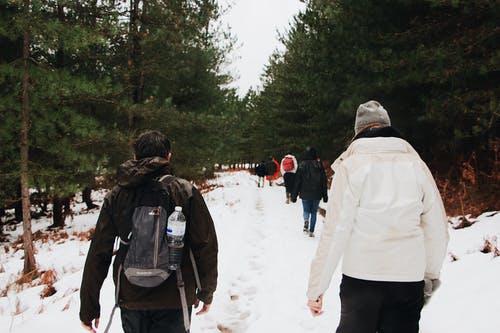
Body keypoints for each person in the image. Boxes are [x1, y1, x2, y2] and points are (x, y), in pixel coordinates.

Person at [306, 101, 449, 333]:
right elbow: (437, 230)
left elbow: (335, 231)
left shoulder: (351, 166)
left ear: (358, 132)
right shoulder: (416, 165)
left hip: (360, 281)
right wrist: (429, 278)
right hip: (407, 280)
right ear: (388, 128)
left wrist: (316, 288)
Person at [80, 130, 218, 333]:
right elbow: (205, 244)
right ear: (168, 156)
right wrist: (206, 291)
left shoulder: (117, 195)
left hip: (131, 297)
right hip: (175, 295)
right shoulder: (185, 191)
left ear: (135, 157)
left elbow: (99, 253)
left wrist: (89, 308)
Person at [291, 147, 328, 237]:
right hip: (317, 193)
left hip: (304, 192)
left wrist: (294, 195)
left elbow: (297, 181)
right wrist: (325, 195)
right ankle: (311, 231)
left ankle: (306, 220)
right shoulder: (319, 165)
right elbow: (323, 181)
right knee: (314, 212)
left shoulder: (302, 165)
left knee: (306, 209)